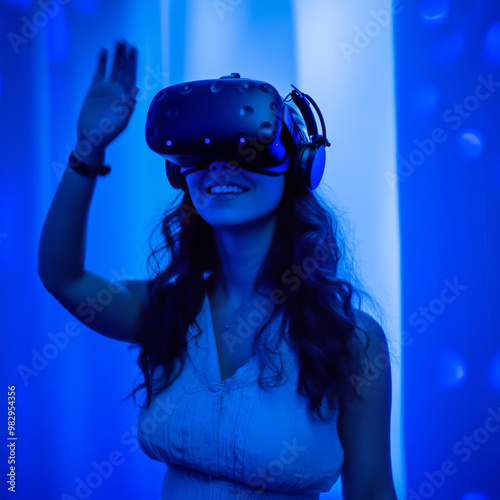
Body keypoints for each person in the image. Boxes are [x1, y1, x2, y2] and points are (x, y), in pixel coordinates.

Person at [38, 40, 398, 500]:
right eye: (199, 153)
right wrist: (88, 149)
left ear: (301, 166)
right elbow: (61, 277)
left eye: (249, 148)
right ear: (179, 174)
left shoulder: (351, 341)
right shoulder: (167, 311)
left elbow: (371, 490)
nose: (219, 167)